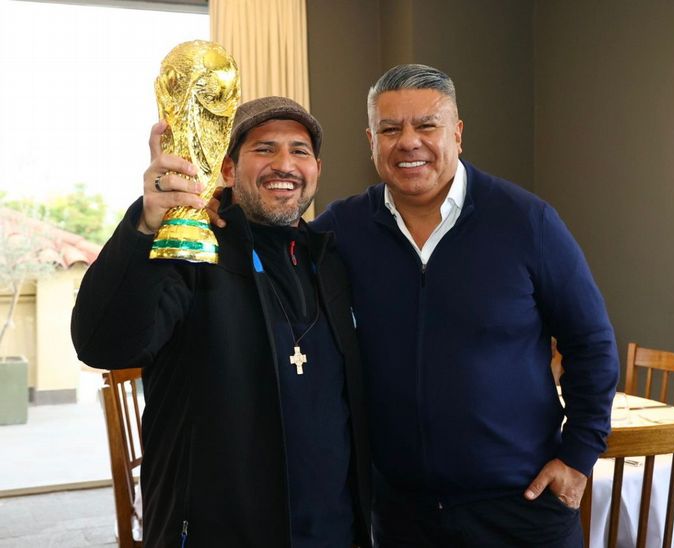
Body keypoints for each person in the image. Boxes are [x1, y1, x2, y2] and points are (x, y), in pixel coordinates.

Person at [309, 64, 620, 547]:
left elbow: (592, 343)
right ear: (371, 141)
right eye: (390, 129)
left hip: (522, 507)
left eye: (426, 125)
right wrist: (219, 213)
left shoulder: (526, 222)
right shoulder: (342, 229)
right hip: (400, 515)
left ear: (457, 133)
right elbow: (273, 267)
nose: (408, 141)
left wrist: (578, 456)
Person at [71, 97, 371, 547]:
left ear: (317, 169)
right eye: (264, 149)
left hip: (331, 531)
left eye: (299, 151)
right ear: (228, 171)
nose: (284, 164)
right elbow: (105, 345)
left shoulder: (331, 260)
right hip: (216, 532)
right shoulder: (190, 252)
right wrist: (146, 225)